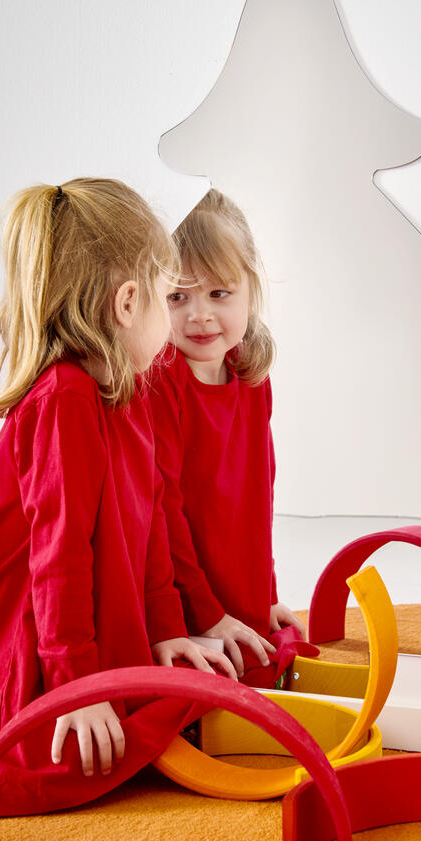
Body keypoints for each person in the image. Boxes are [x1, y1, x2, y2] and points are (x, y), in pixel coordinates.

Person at [0, 178, 235, 818]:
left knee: (210, 682)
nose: (174, 320)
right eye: (166, 297)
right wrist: (76, 687)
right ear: (128, 303)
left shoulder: (129, 390)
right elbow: (57, 557)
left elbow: (151, 520)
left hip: (92, 611)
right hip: (31, 623)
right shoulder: (65, 398)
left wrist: (165, 630)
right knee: (52, 763)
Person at [149, 189, 309, 686]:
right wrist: (206, 613)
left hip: (226, 575)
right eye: (177, 297)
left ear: (250, 293)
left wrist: (264, 594)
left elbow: (258, 497)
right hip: (178, 589)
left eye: (219, 294)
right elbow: (163, 509)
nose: (199, 315)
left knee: (264, 665)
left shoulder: (249, 372)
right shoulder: (162, 377)